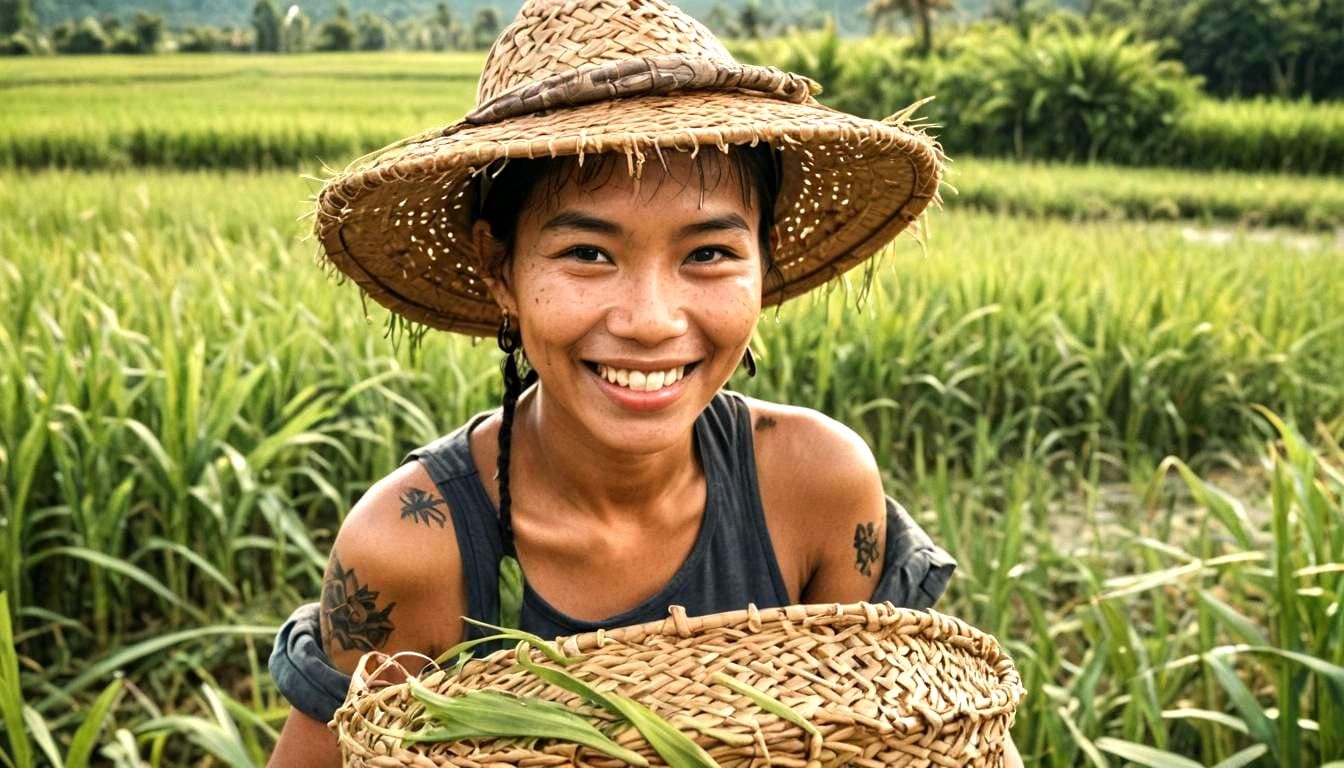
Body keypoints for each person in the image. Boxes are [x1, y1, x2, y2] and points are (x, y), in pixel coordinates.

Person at [267, 0, 1021, 765]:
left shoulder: (817, 488)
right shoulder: (411, 550)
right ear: (499, 268)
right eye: (589, 254)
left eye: (708, 255)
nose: (652, 320)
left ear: (764, 259)